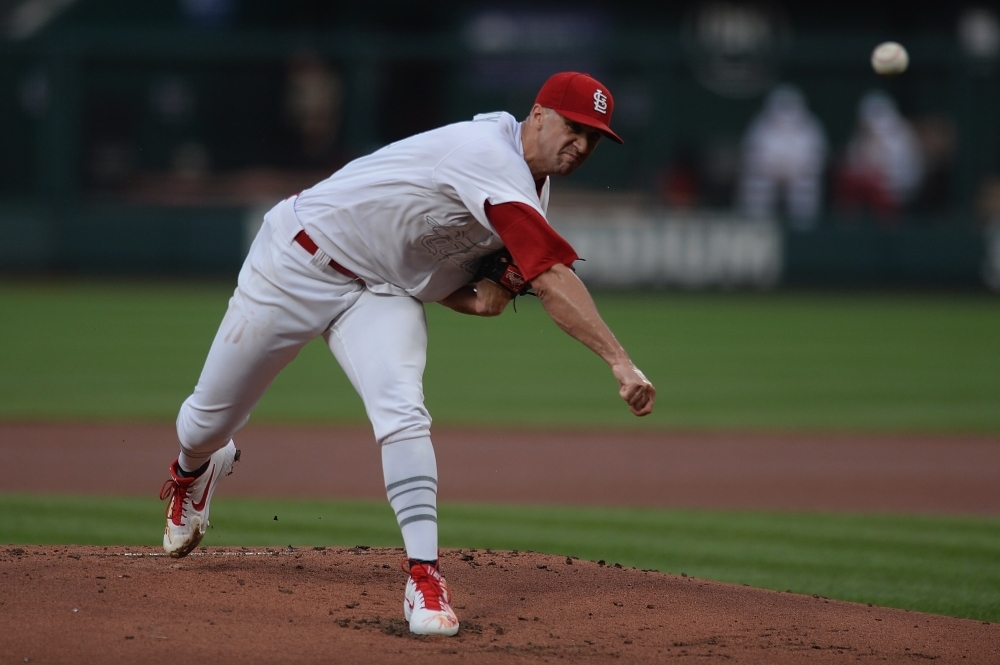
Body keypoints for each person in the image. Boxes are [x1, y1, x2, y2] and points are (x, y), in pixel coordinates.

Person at [157, 71, 656, 637]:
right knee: (207, 419)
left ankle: (424, 576)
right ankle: (193, 470)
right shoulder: (486, 156)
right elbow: (549, 274)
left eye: (594, 138)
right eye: (575, 128)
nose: (582, 146)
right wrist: (619, 360)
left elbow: (439, 279)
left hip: (380, 292)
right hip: (296, 261)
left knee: (403, 412)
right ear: (538, 114)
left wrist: (483, 301)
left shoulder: (528, 193)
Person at [736, 84, 828, 228]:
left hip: (798, 178)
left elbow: (818, 159)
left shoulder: (811, 128)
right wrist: (771, 173)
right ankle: (755, 228)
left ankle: (803, 231)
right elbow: (750, 157)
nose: (786, 111)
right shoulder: (760, 125)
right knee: (756, 186)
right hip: (767, 176)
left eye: (789, 106)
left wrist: (796, 174)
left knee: (805, 189)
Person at [833, 90, 924, 220]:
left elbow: (904, 174)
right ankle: (850, 228)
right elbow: (853, 163)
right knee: (847, 182)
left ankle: (888, 231)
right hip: (872, 185)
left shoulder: (901, 135)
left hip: (898, 188)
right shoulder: (861, 134)